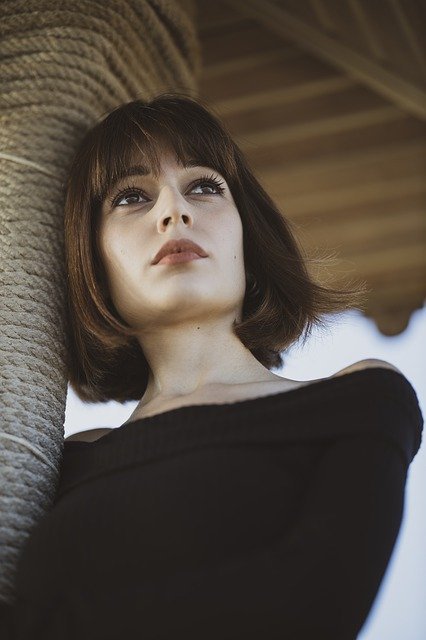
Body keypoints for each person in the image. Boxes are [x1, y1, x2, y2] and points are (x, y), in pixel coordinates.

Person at [1, 92, 423, 639]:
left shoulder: (361, 399)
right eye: (131, 196)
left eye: (204, 186)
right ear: (93, 261)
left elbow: (308, 607)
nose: (173, 211)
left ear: (248, 237)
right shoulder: (65, 462)